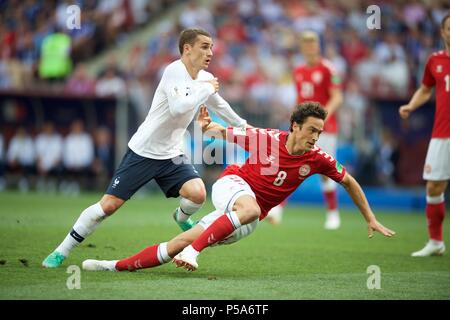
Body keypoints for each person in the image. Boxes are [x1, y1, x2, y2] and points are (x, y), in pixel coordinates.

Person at [81, 103, 395, 272]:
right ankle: (195, 252)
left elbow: (350, 181)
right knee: (250, 209)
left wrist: (369, 217)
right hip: (232, 185)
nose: (316, 136)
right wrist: (208, 127)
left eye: (320, 132)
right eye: (312, 130)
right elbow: (225, 132)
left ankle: (112, 266)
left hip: (246, 216)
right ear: (295, 126)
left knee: (174, 245)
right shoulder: (268, 139)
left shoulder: (318, 159)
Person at [42, 28, 247, 268]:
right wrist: (207, 88)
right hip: (144, 152)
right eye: (204, 46)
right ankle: (62, 250)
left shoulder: (204, 79)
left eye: (211, 47)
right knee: (107, 207)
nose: (210, 52)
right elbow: (179, 108)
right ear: (187, 48)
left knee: (198, 193)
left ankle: (181, 218)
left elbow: (220, 106)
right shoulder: (173, 71)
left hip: (171, 153)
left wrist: (245, 127)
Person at [267, 30, 344, 229]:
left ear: (318, 46)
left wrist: (323, 116)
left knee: (325, 172)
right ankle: (278, 207)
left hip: (324, 128)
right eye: (306, 44)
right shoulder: (298, 71)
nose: (310, 47)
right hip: (302, 128)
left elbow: (337, 96)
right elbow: (299, 100)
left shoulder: (328, 69)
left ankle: (333, 213)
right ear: (302, 47)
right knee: (291, 163)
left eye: (313, 43)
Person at [398, 13, 450, 257]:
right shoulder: (434, 61)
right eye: (449, 28)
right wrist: (411, 105)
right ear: (442, 32)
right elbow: (426, 89)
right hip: (442, 133)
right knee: (434, 187)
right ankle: (436, 242)